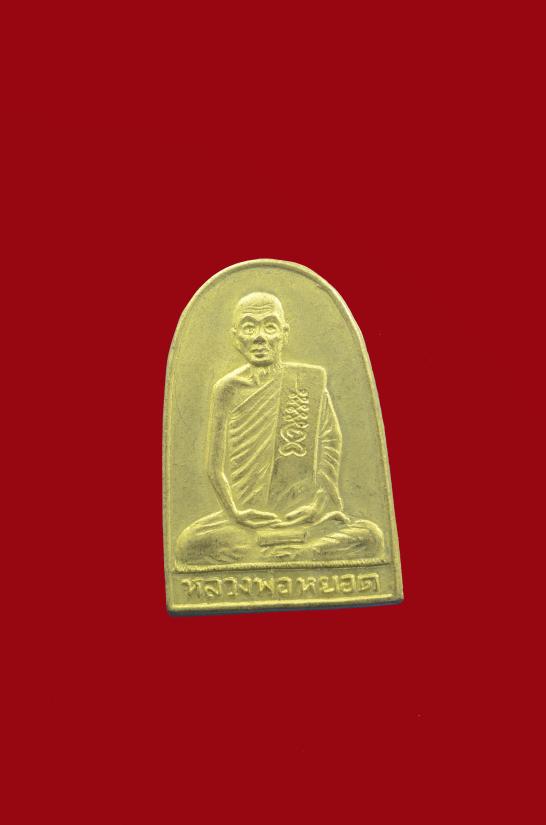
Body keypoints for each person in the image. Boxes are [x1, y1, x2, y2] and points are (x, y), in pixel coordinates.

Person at [176, 292, 383, 565]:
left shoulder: (307, 382)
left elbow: (330, 441)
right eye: (249, 327)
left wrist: (320, 503)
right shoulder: (227, 389)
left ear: (284, 334)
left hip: (305, 515)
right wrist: (237, 513)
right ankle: (298, 554)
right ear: (236, 337)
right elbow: (213, 467)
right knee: (189, 544)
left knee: (371, 536)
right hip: (247, 519)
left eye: (270, 326)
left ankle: (286, 554)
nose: (260, 337)